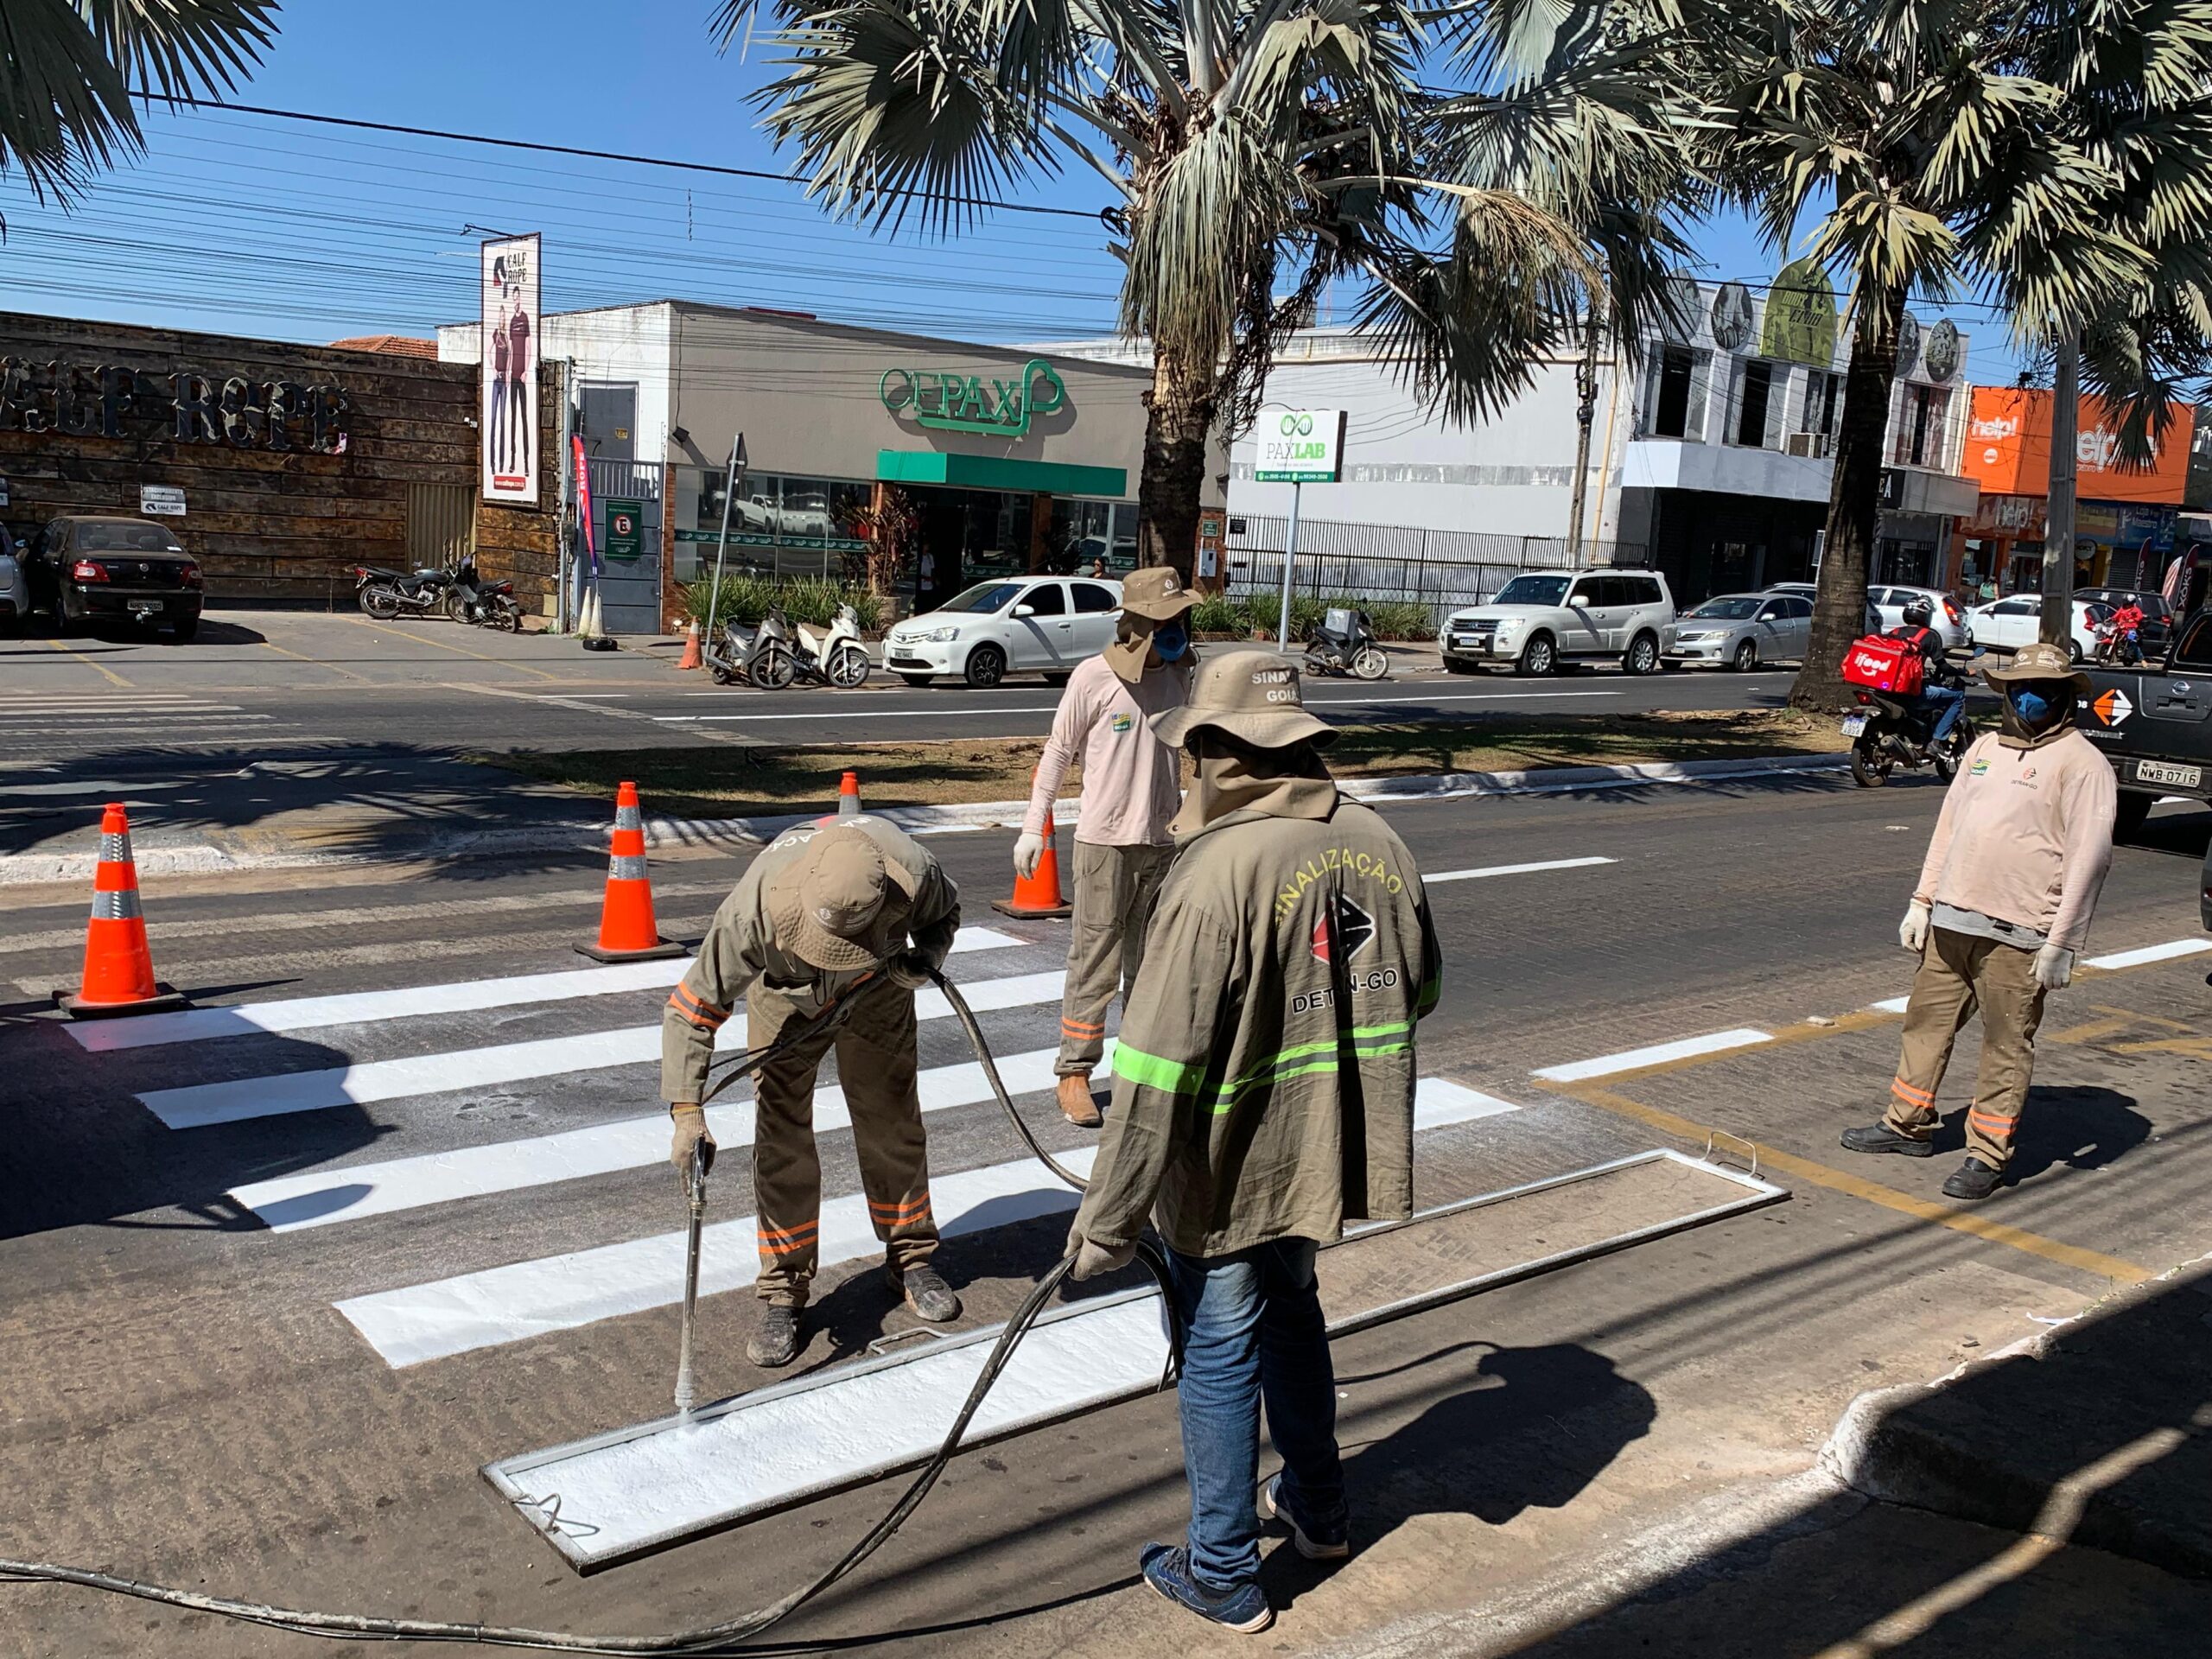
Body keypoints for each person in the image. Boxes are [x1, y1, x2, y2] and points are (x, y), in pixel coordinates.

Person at [1064, 649, 1442, 1633]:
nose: (1188, 773)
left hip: (1230, 1162)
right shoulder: (1379, 843)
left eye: (1196, 754)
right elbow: (1423, 986)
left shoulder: (1218, 871)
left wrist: (1107, 1222)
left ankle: (1225, 1569)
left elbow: (1153, 1070)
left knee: (1220, 1344)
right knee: (1293, 1313)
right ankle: (1319, 1511)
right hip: (1326, 1150)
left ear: (1227, 755)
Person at [662, 817, 963, 1368]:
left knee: (891, 1118)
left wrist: (926, 959)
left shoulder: (913, 871)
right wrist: (687, 1110)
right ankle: (783, 1291)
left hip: (880, 988)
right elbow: (691, 1009)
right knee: (781, 1138)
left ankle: (911, 1256)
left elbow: (945, 914)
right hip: (787, 998)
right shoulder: (753, 912)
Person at [1840, 642, 2116, 1201]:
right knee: (1925, 1024)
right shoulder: (1985, 748)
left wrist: (2062, 943)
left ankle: (1987, 1156)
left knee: (2005, 1043)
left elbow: (2090, 858)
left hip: (2020, 935)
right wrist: (1922, 900)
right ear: (2007, 694)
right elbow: (1949, 827)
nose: (2030, 697)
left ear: (2066, 697)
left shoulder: (2083, 765)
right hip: (1951, 919)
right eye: (2019, 688)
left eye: (2044, 689)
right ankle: (1906, 1125)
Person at [1017, 565, 1198, 1128]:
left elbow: (1196, 750)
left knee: (1150, 966)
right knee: (1095, 962)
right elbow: (1058, 751)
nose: (1177, 630)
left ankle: (1136, 1071)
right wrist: (1033, 822)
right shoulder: (1093, 679)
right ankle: (1075, 1073)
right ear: (1139, 623)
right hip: (1103, 844)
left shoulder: (1183, 676)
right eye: (1167, 620)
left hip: (1162, 844)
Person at [1885, 595, 1965, 753]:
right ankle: (1937, 741)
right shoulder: (1929, 636)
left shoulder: (1894, 632)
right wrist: (1964, 671)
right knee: (1957, 696)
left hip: (1887, 690)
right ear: (1926, 615)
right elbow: (1942, 667)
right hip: (1912, 693)